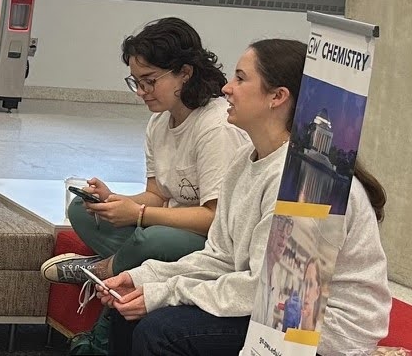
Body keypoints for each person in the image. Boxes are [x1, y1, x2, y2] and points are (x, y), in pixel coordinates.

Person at [99, 39, 391, 356]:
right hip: (273, 303)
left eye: (240, 78)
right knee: (125, 312)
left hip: (321, 331)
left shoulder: (307, 179)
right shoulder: (244, 160)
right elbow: (221, 257)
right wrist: (142, 277)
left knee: (161, 332)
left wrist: (166, 292)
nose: (227, 88)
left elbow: (274, 292)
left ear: (277, 97)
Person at [41, 18, 247, 353]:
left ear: (185, 72)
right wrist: (112, 200)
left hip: (207, 242)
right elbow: (157, 195)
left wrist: (137, 214)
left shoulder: (215, 126)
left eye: (150, 81)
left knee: (152, 237)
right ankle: (125, 258)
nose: (141, 92)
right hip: (166, 230)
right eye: (135, 81)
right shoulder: (159, 122)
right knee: (82, 210)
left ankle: (103, 268)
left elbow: (214, 218)